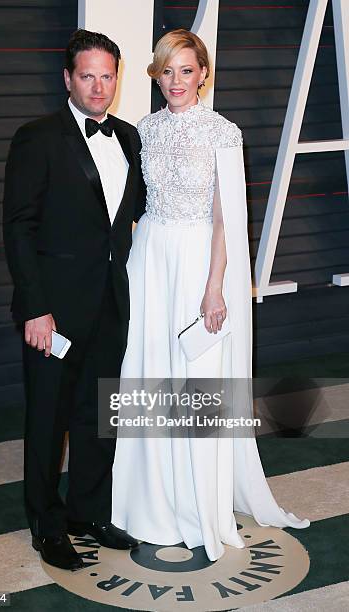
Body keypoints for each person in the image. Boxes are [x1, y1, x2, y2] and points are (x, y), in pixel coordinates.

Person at [111, 29, 310, 562]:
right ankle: (146, 503)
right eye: (166, 70)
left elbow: (227, 217)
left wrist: (215, 286)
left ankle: (200, 506)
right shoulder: (144, 130)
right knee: (149, 370)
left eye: (186, 70)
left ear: (203, 74)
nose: (176, 81)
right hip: (150, 257)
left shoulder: (223, 133)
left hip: (201, 260)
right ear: (156, 75)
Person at [3, 29, 144, 571]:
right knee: (48, 418)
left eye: (107, 76)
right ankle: (45, 521)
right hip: (54, 312)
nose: (98, 86)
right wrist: (34, 307)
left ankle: (89, 511)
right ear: (68, 79)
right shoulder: (37, 137)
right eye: (88, 75)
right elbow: (18, 227)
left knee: (96, 415)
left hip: (110, 304)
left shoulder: (130, 137)